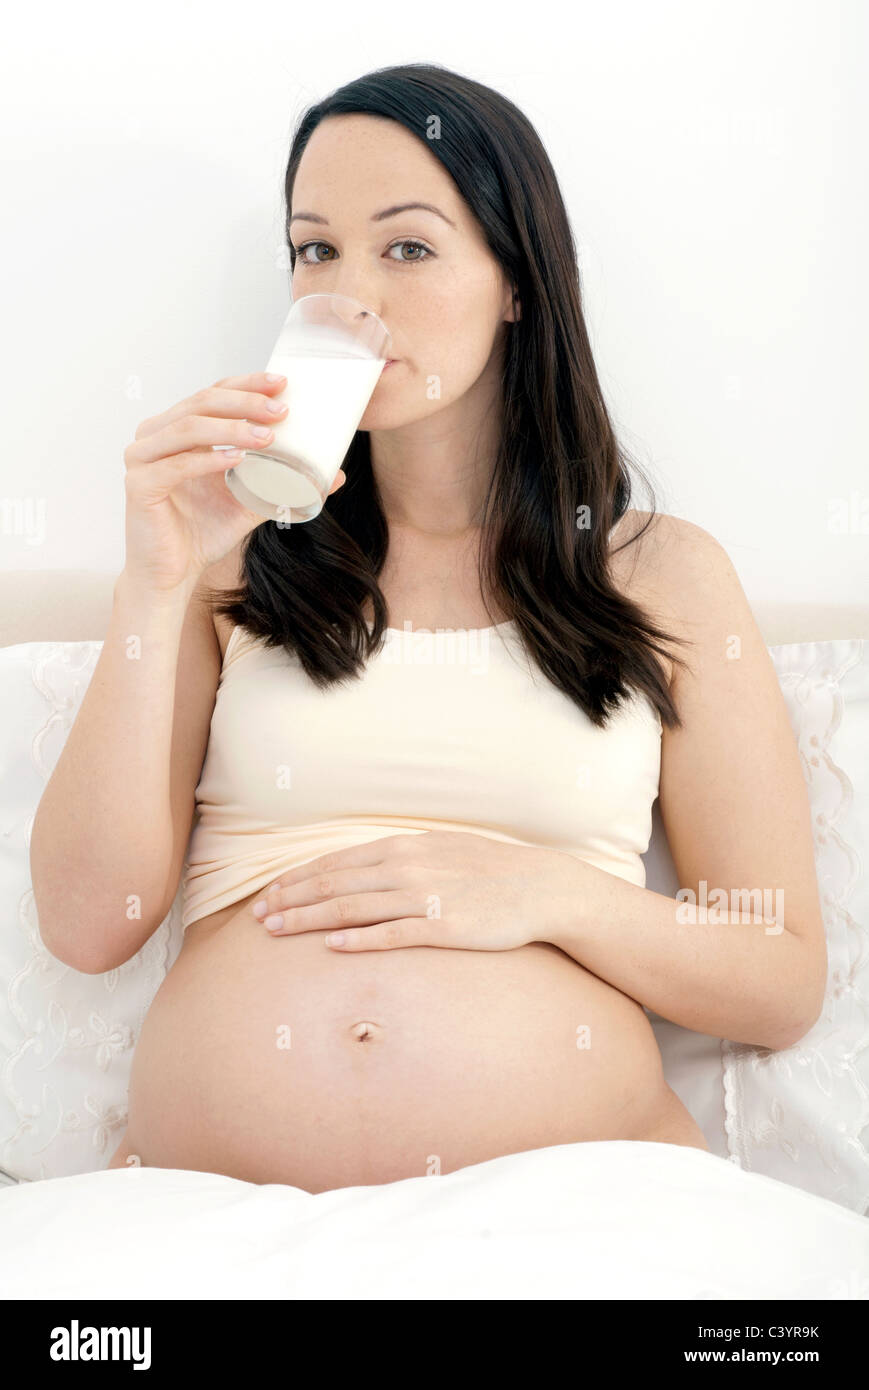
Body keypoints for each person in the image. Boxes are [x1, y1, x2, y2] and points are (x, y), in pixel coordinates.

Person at [31, 63, 826, 1193]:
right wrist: (153, 582)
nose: (352, 296)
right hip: (213, 1217)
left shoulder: (662, 576)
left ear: (515, 281)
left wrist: (540, 893)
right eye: (316, 250)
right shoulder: (226, 566)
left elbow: (778, 976)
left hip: (583, 1208)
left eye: (406, 247)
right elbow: (86, 923)